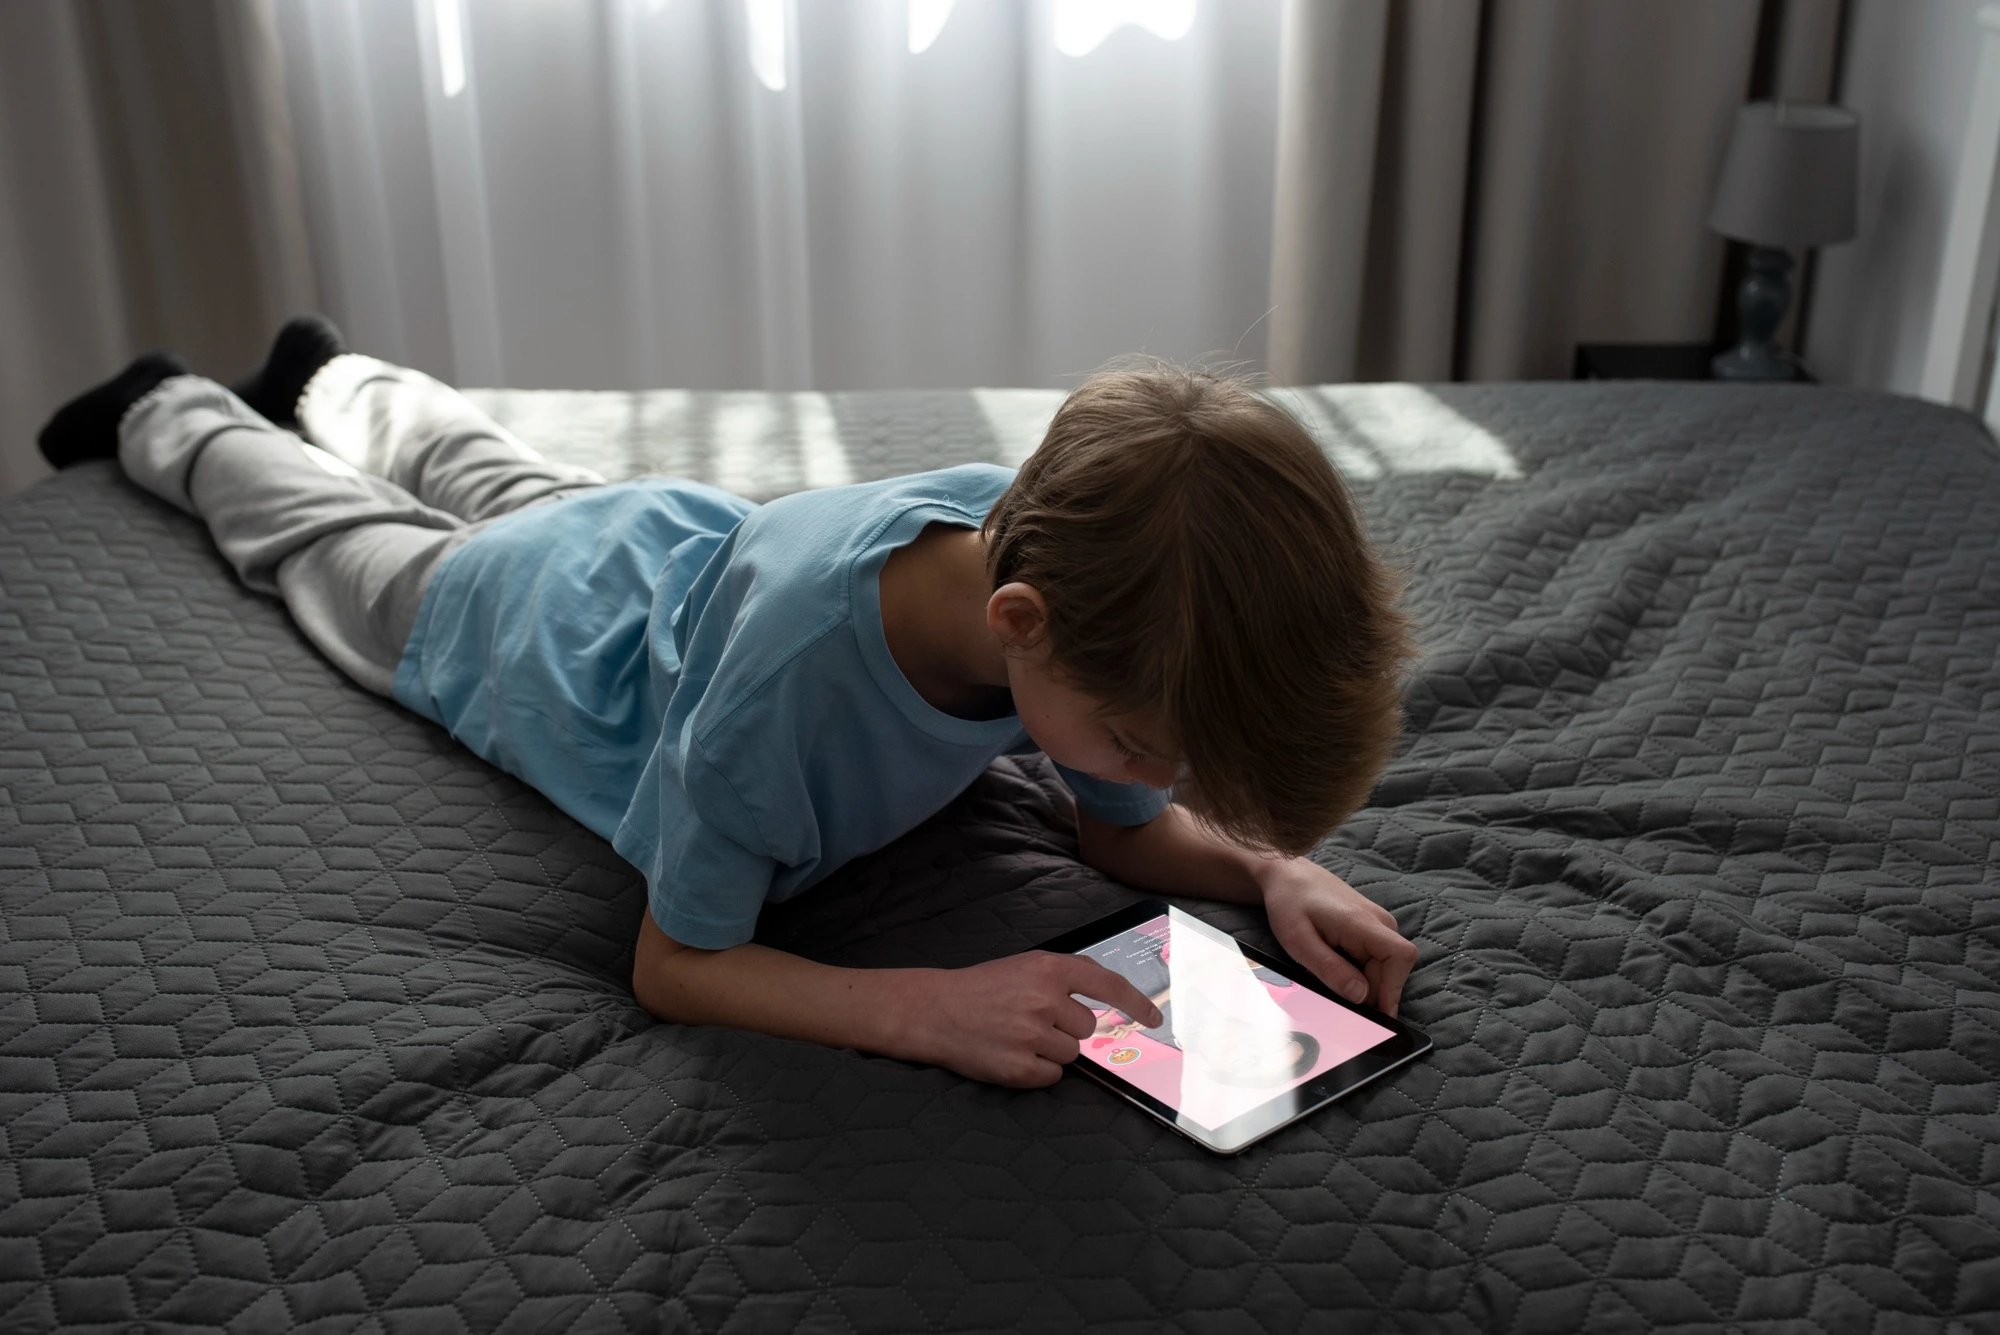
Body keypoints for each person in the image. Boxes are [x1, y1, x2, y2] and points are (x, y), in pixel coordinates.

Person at [37, 316, 1419, 1089]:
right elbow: (675, 965)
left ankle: (330, 371)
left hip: (665, 539)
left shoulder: (1051, 542)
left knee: (512, 474)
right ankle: (177, 412)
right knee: (333, 543)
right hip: (522, 634)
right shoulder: (789, 699)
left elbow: (1120, 831)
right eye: (1142, 745)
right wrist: (921, 1008)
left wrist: (1269, 866)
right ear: (1021, 624)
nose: (1150, 772)